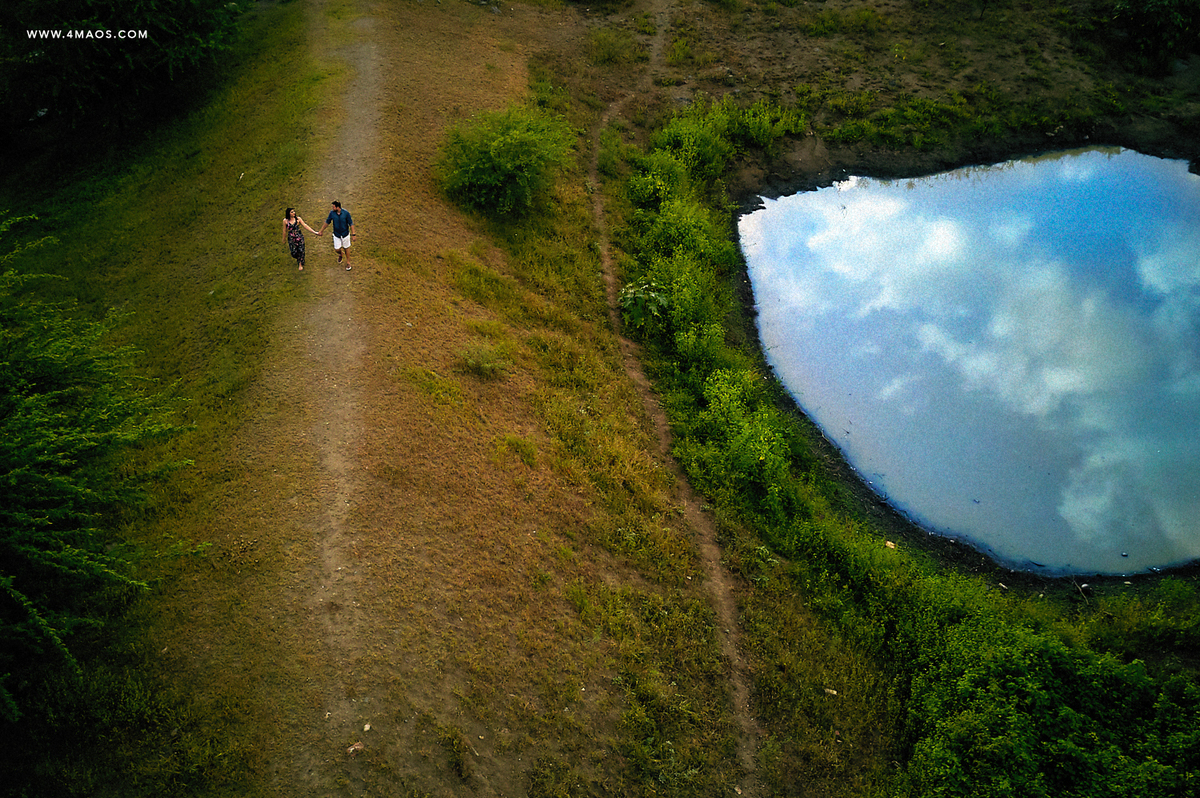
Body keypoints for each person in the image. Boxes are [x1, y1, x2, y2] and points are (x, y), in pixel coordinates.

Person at [316, 200, 357, 270]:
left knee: (346, 248)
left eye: (333, 207)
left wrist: (353, 234)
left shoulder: (346, 213)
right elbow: (327, 222)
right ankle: (340, 253)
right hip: (337, 234)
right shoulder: (332, 213)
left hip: (345, 234)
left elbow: (351, 223)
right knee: (336, 249)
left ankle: (348, 262)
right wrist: (321, 231)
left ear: (338, 207)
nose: (332, 208)